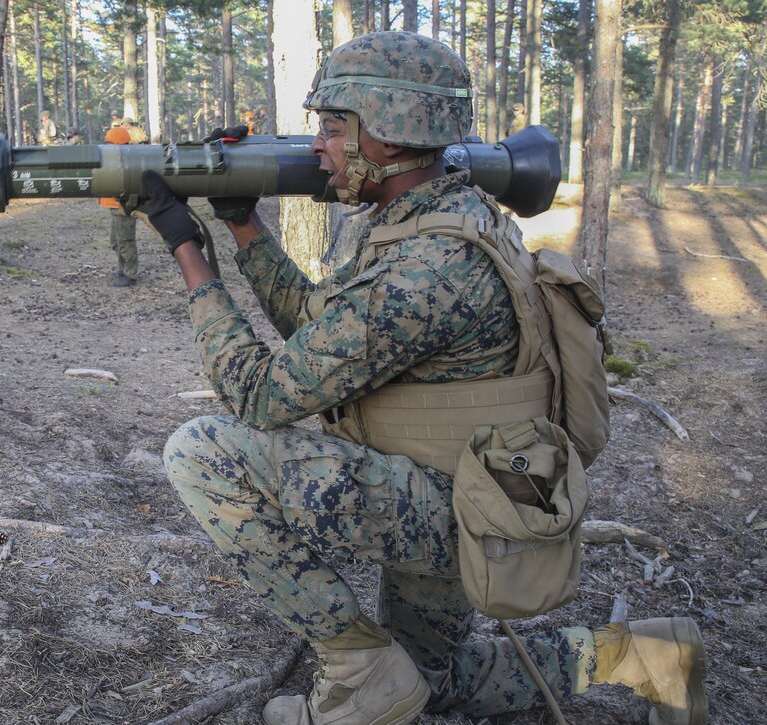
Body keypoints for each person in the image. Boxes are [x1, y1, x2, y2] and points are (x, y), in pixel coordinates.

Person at [135, 31, 708, 725]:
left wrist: (188, 253)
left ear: (387, 136)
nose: (317, 145)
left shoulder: (426, 269)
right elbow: (320, 334)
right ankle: (641, 657)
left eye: (332, 126)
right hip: (476, 494)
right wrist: (243, 224)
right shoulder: (439, 217)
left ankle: (356, 666)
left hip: (451, 509)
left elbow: (259, 394)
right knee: (433, 683)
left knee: (204, 452)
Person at [99, 126, 138, 287]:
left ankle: (130, 275)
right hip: (114, 206)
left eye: (109, 142)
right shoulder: (112, 158)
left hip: (123, 207)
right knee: (115, 241)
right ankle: (122, 269)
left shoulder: (127, 162)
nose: (106, 145)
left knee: (126, 241)